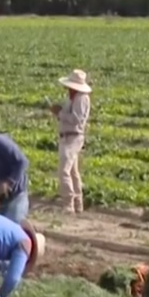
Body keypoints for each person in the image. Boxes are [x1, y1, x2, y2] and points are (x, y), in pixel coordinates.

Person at [50, 69, 91, 214]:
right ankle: (78, 204)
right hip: (67, 136)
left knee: (64, 171)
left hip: (73, 137)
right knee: (73, 172)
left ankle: (68, 204)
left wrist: (59, 113)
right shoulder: (72, 97)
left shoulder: (81, 98)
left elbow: (77, 120)